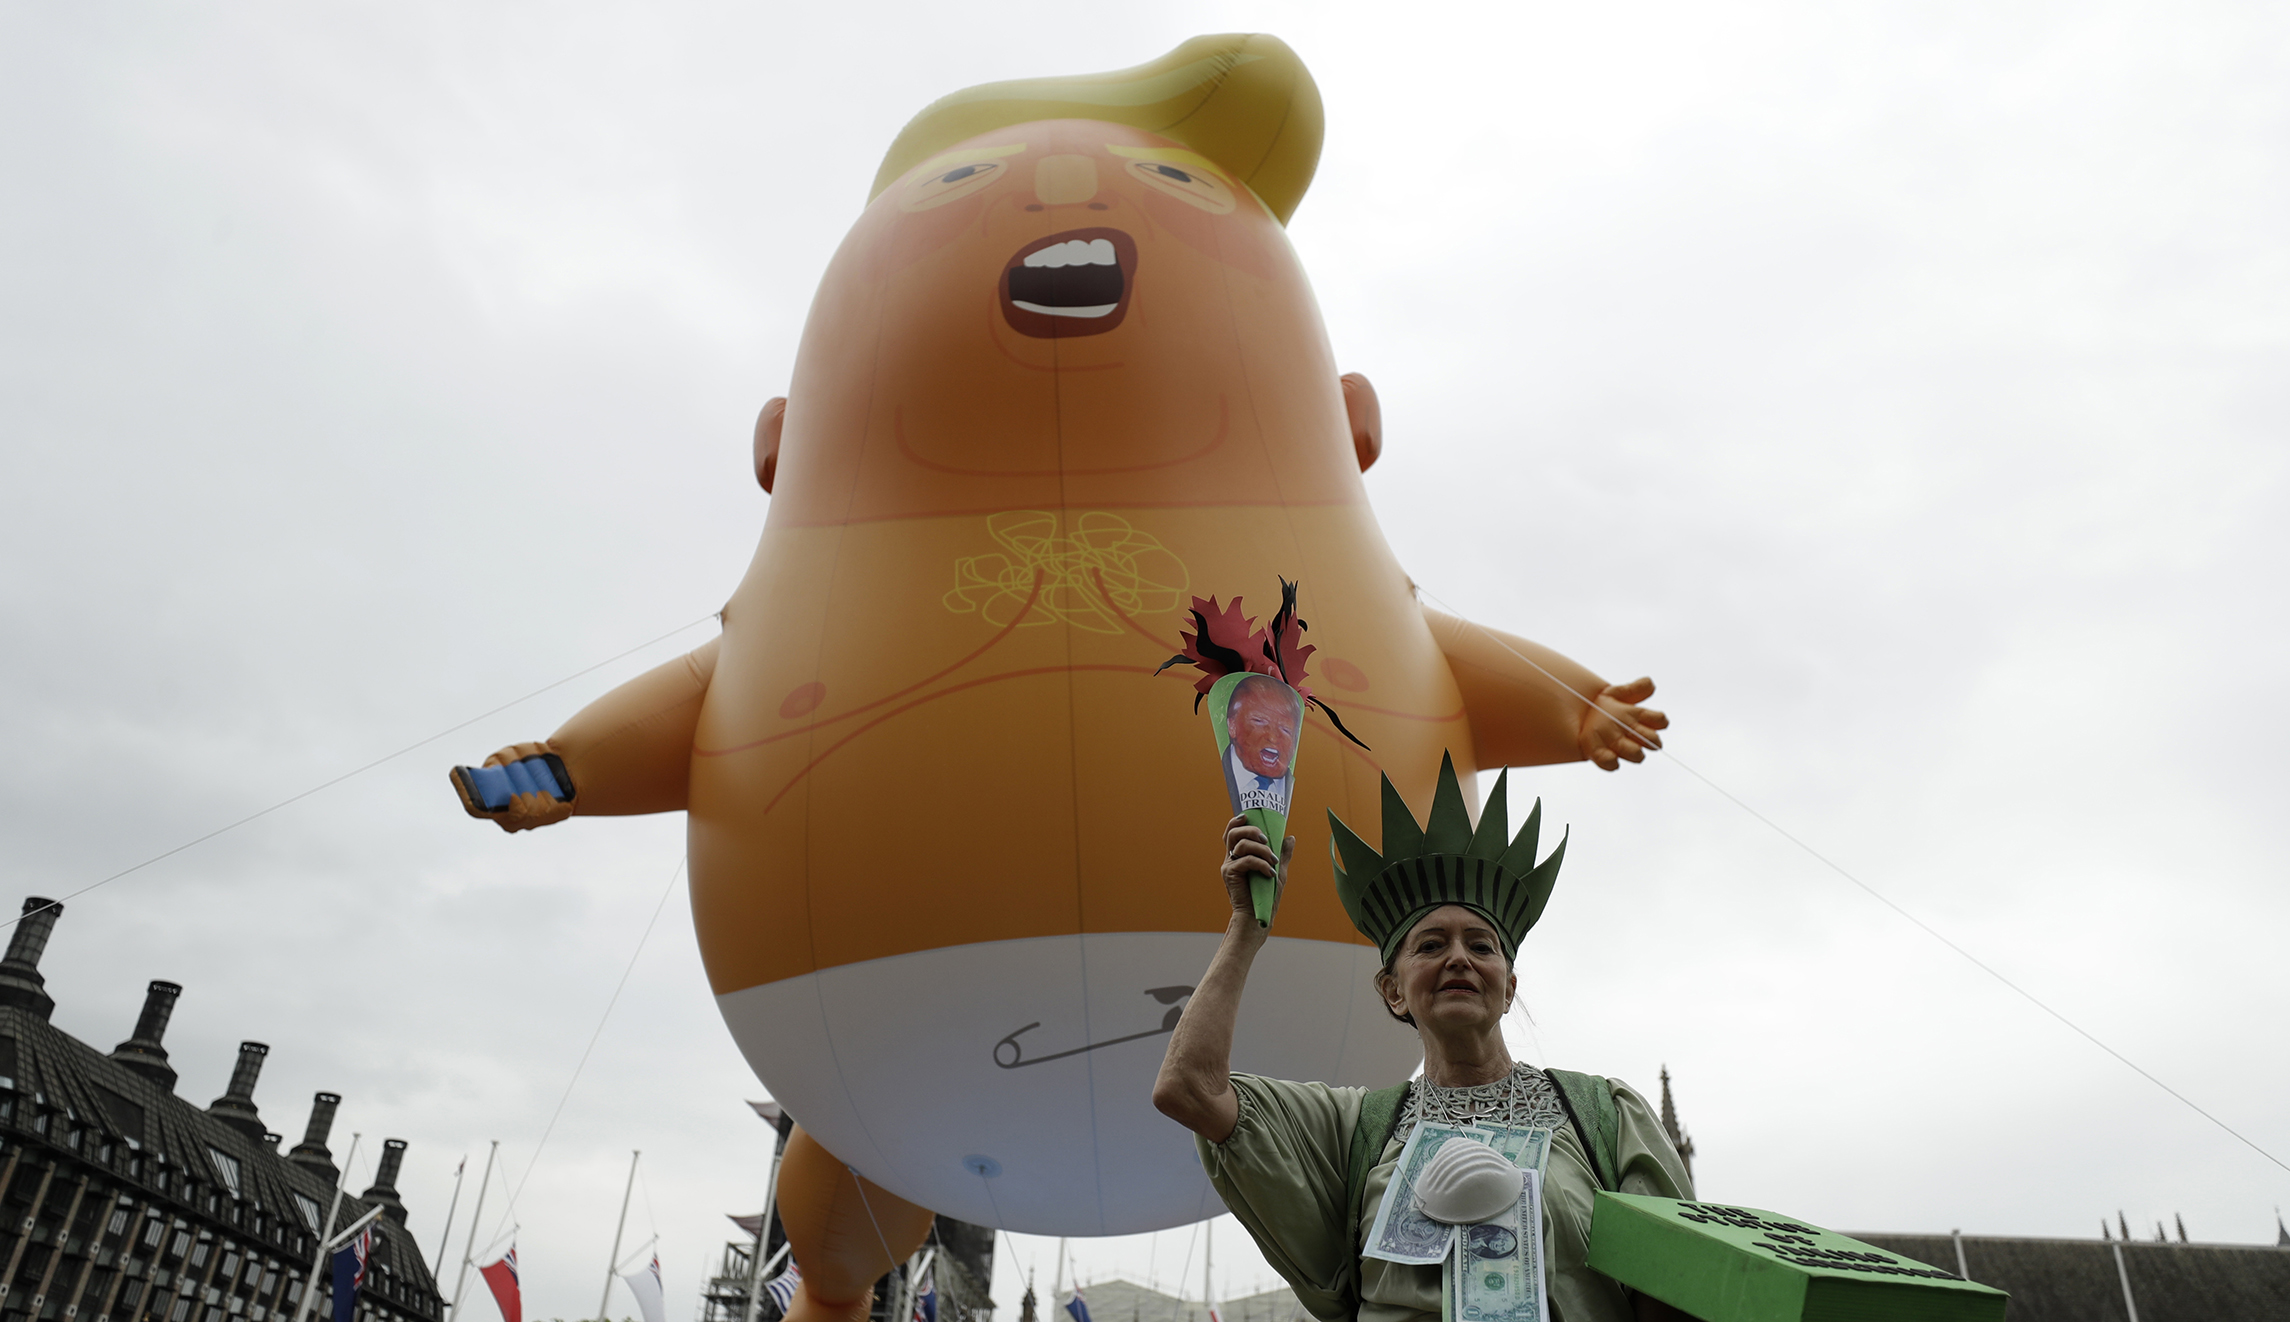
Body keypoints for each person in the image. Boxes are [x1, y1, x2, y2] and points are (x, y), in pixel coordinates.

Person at [1153, 755, 1696, 1322]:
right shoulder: (1352, 1130)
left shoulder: (1605, 1118)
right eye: (1432, 945)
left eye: (1481, 946)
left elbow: (1673, 1294)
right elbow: (1189, 1087)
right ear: (1392, 990)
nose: (1459, 957)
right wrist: (1246, 927)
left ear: (1508, 987)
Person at [1223, 673, 1302, 814]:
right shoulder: (1200, 781)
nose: (1272, 737)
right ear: (1232, 725)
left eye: (1285, 729)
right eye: (1259, 721)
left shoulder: (1307, 797)